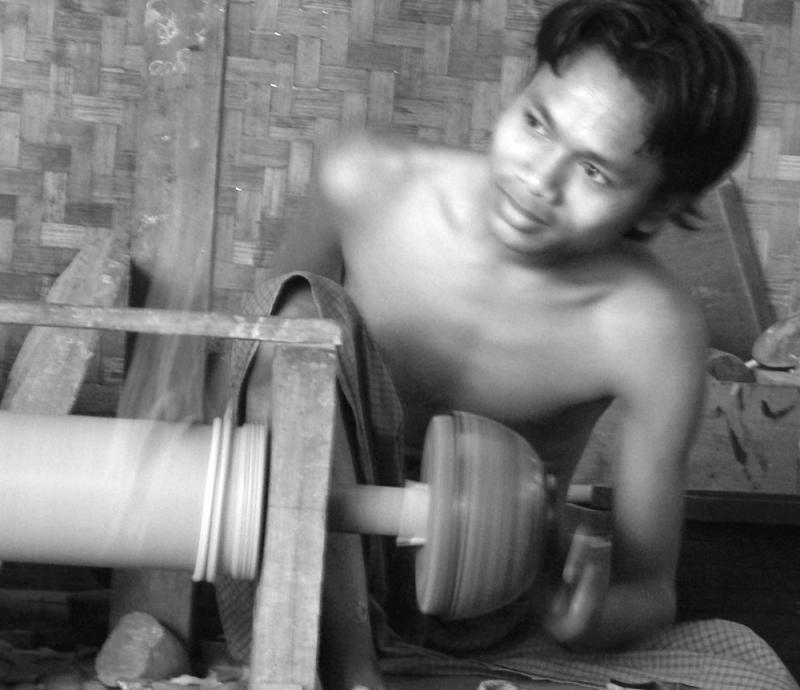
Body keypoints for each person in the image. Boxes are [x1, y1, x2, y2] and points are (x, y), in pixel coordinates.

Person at [219, 0, 770, 688]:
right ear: (521, 87)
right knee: (299, 309)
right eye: (537, 123)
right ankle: (351, 671)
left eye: (595, 172)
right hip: (284, 566)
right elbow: (251, 362)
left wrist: (586, 620)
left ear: (658, 208)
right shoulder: (365, 181)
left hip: (477, 615)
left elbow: (651, 589)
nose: (539, 182)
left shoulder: (651, 329)